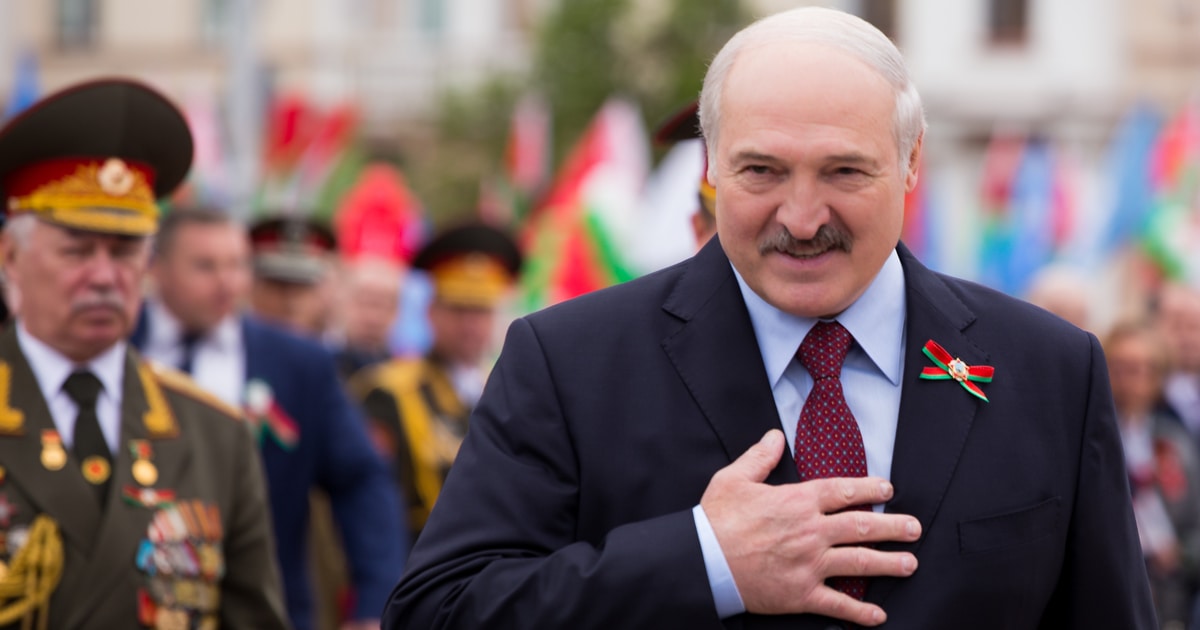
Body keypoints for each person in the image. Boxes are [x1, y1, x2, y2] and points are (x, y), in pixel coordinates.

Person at [384, 7, 1155, 629]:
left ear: (913, 160)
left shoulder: (1051, 370)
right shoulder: (568, 362)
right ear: (711, 165)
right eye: (762, 171)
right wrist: (705, 560)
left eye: (844, 171)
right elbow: (438, 611)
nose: (802, 216)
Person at [0, 79, 287, 628]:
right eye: (77, 251)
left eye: (125, 251)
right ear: (10, 256)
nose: (104, 276)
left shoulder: (214, 433)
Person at [131, 208, 406, 630]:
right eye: (205, 266)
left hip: (262, 609)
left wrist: (374, 602)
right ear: (157, 267)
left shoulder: (298, 363)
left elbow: (362, 479)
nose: (226, 282)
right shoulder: (117, 344)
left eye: (236, 265)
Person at [350, 223, 521, 542]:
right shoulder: (388, 392)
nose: (470, 325)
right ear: (431, 311)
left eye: (481, 310)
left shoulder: (508, 390)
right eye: (458, 309)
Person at [1106, 321, 1200, 629]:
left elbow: (1195, 520)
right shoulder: (1095, 437)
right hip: (1113, 574)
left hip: (1169, 583)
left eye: (1147, 369)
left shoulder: (1173, 439)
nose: (1135, 381)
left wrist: (1182, 554)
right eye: (1123, 368)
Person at [247, 214, 338, 336]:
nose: (290, 303)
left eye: (302, 287)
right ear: (252, 288)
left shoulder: (343, 346)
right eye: (279, 285)